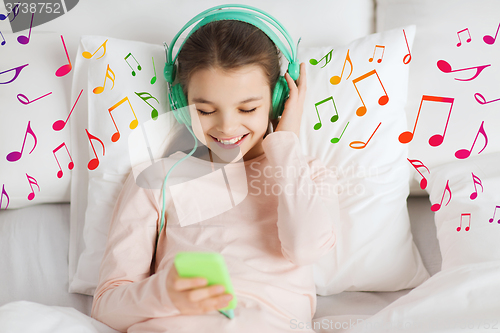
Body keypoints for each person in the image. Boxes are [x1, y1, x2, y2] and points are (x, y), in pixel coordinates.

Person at [91, 16, 340, 333]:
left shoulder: (306, 174)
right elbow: (106, 308)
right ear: (181, 102)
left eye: (247, 109)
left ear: (278, 100)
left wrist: (286, 142)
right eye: (206, 111)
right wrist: (164, 293)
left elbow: (306, 248)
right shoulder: (157, 179)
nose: (226, 128)